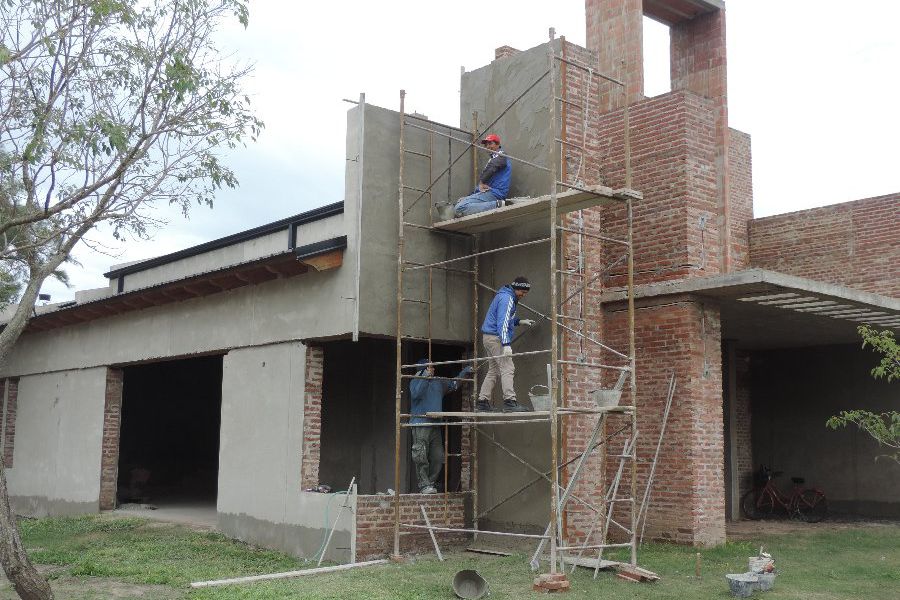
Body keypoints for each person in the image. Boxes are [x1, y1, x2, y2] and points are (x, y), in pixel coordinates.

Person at [409, 359, 474, 494]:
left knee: (438, 456)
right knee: (421, 455)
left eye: (432, 367)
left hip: (435, 424)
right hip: (420, 423)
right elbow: (416, 393)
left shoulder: (438, 382)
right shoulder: (415, 380)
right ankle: (424, 485)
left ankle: (430, 483)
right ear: (422, 369)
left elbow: (453, 384)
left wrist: (465, 372)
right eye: (429, 367)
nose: (432, 369)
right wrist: (424, 377)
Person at [476, 276, 536, 412]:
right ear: (516, 288)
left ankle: (482, 402)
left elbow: (505, 319)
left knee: (494, 370)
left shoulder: (505, 296)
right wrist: (506, 343)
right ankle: (510, 401)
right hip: (496, 338)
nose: (524, 295)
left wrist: (519, 321)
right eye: (523, 292)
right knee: (508, 368)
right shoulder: (507, 299)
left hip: (489, 337)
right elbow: (502, 323)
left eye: (526, 293)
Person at [453, 133, 512, 217]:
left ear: (498, 144)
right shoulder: (493, 159)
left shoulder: (501, 155)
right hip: (489, 193)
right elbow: (482, 188)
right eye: (486, 145)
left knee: (459, 208)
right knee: (460, 203)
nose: (488, 146)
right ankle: (496, 204)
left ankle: (498, 204)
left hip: (495, 193)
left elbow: (494, 165)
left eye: (490, 143)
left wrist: (481, 182)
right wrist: (468, 197)